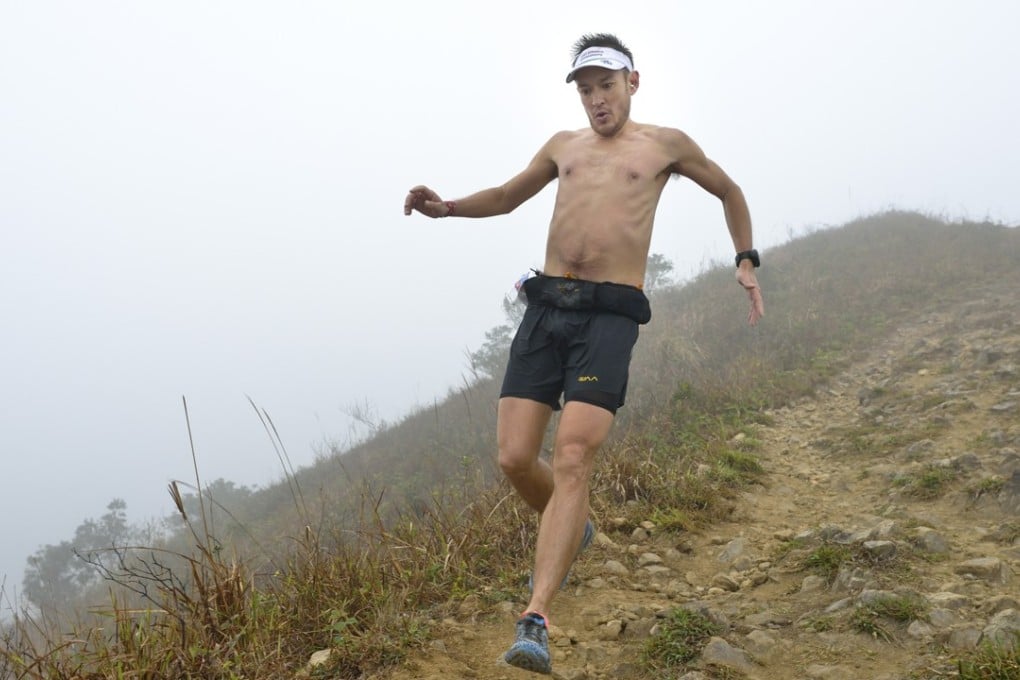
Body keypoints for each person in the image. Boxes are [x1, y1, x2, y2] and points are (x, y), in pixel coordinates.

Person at [403, 32, 764, 675]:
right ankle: (576, 529)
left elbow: (730, 191)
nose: (597, 100)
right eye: (586, 88)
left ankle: (535, 618)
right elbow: (510, 195)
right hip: (546, 311)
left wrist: (745, 258)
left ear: (633, 82)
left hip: (609, 317)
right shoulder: (562, 147)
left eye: (607, 85)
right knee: (514, 457)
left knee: (572, 455)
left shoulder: (666, 146)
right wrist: (448, 208)